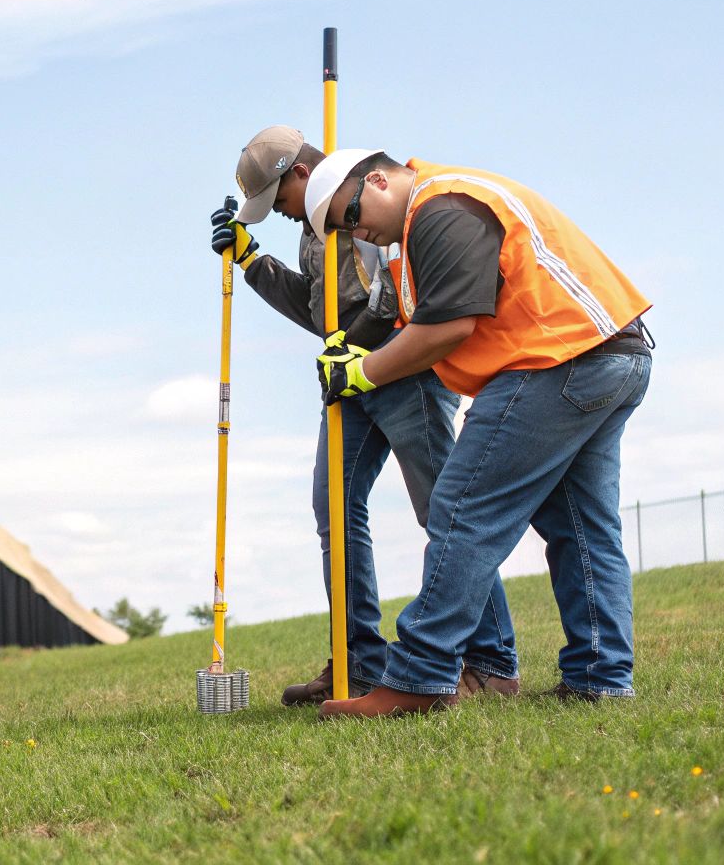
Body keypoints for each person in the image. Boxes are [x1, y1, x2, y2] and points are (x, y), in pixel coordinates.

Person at [304, 149, 652, 718]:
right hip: (611, 353)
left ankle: (420, 676)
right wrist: (353, 344)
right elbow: (408, 314)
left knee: (462, 508)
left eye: (351, 215)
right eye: (344, 231)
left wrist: (361, 373)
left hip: (554, 361)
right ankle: (601, 677)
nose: (356, 232)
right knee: (581, 527)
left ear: (378, 180)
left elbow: (448, 325)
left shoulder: (440, 207)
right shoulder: (436, 213)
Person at [211, 126, 519, 705]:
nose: (281, 213)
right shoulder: (312, 231)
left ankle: (492, 662)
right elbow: (320, 311)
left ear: (301, 173)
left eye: (279, 200)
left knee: (443, 510)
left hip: (402, 369)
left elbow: (396, 296)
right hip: (346, 378)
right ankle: (357, 662)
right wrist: (253, 262)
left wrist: (355, 352)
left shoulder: (362, 207)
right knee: (334, 508)